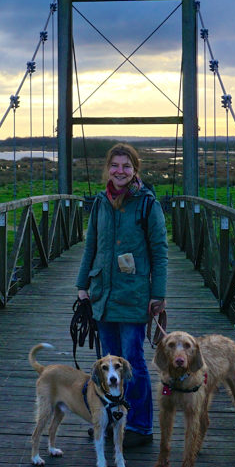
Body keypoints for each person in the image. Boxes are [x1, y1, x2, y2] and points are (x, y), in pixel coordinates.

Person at [76, 142, 168, 449]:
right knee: (108, 365)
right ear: (108, 169)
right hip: (102, 294)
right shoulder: (100, 203)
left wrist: (158, 294)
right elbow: (90, 245)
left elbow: (160, 251)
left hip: (133, 295)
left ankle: (140, 426)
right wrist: (82, 285)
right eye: (115, 165)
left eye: (126, 166)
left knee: (132, 362)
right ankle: (113, 422)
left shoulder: (148, 204)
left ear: (135, 169)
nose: (120, 171)